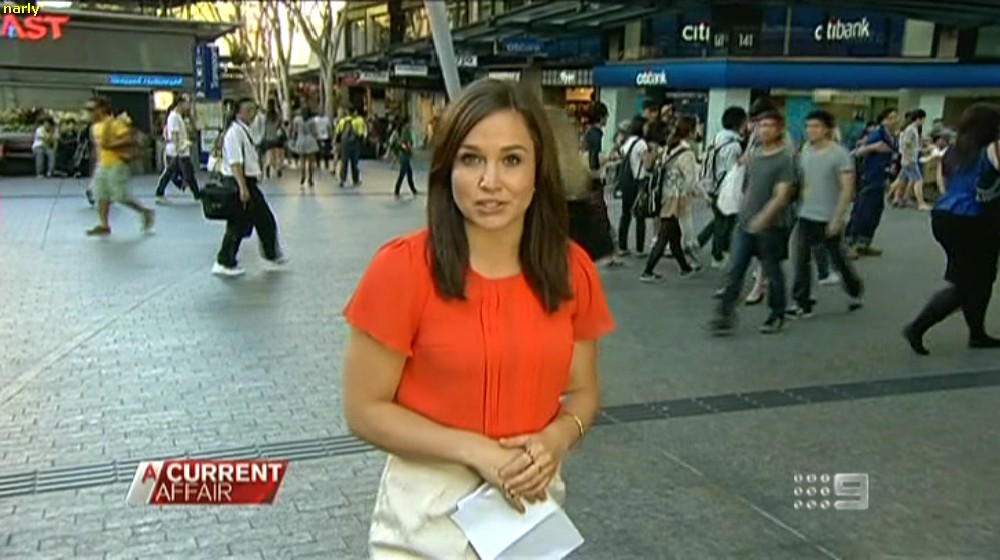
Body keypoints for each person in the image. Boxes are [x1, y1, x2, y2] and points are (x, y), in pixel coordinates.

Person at [342, 79, 614, 557]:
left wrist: (557, 438)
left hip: (527, 515)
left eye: (512, 160)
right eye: (471, 159)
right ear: (447, 169)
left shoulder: (572, 270)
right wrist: (474, 450)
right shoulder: (402, 269)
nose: (491, 181)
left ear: (538, 171)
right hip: (425, 521)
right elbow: (364, 410)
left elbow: (583, 392)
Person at [903, 104, 1000, 354]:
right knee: (968, 283)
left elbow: (944, 184)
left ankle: (977, 333)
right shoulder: (993, 149)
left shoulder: (954, 151)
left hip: (946, 215)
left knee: (979, 277)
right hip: (975, 219)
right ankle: (917, 327)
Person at [710, 110, 795, 335]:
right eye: (760, 125)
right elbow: (748, 187)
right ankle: (724, 315)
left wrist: (764, 218)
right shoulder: (754, 154)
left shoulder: (785, 159)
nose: (763, 130)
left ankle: (777, 314)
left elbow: (782, 196)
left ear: (779, 130)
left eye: (769, 126)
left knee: (773, 271)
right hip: (745, 223)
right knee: (735, 269)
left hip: (772, 226)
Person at [789, 110, 864, 317]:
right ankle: (802, 302)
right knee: (800, 258)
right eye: (808, 126)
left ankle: (854, 289)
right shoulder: (805, 151)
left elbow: (847, 188)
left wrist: (838, 217)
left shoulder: (840, 154)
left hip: (829, 215)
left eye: (816, 126)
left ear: (827, 129)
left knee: (837, 257)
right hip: (805, 213)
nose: (811, 130)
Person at [213, 98, 286, 277]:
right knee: (238, 224)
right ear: (238, 113)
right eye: (248, 110)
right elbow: (235, 162)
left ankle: (271, 254)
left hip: (248, 182)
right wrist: (243, 187)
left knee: (264, 220)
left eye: (253, 110)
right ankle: (224, 261)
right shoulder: (234, 133)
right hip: (240, 182)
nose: (252, 114)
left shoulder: (244, 130)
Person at [85, 97, 154, 236]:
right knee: (101, 195)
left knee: (121, 196)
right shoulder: (94, 127)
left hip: (117, 164)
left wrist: (111, 145)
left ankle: (145, 212)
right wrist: (95, 164)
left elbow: (128, 138)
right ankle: (104, 225)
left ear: (101, 109)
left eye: (92, 109)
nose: (90, 113)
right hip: (102, 165)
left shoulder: (115, 123)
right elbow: (97, 148)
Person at [847, 107, 900, 258]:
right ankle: (850, 243)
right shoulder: (877, 135)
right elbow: (857, 152)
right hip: (869, 177)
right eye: (891, 117)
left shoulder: (892, 137)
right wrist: (874, 147)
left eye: (896, 117)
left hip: (881, 178)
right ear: (884, 121)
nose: (895, 120)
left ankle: (864, 243)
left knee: (875, 212)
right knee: (862, 211)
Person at [155, 94, 201, 204]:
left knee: (176, 173)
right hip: (178, 152)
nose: (188, 105)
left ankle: (196, 195)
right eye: (187, 103)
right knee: (178, 173)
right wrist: (179, 148)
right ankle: (197, 195)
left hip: (180, 151)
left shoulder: (179, 116)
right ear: (181, 103)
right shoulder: (174, 117)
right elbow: (174, 135)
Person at [336, 106, 367, 188]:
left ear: (347, 112)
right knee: (355, 163)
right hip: (355, 144)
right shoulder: (359, 120)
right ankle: (355, 180)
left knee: (344, 162)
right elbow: (361, 134)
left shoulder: (343, 121)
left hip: (344, 144)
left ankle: (342, 180)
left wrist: (337, 144)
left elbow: (338, 132)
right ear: (355, 112)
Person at [292, 106, 320, 189]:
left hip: (301, 139)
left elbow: (295, 130)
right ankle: (310, 179)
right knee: (311, 162)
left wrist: (294, 138)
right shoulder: (312, 121)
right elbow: (314, 131)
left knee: (302, 161)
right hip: (310, 140)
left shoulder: (297, 120)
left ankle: (303, 176)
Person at [391, 120, 417, 197]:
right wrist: (409, 150)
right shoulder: (406, 131)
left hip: (403, 154)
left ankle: (413, 189)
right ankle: (397, 189)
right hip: (405, 155)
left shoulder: (402, 131)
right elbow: (406, 142)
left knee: (409, 172)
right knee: (403, 173)